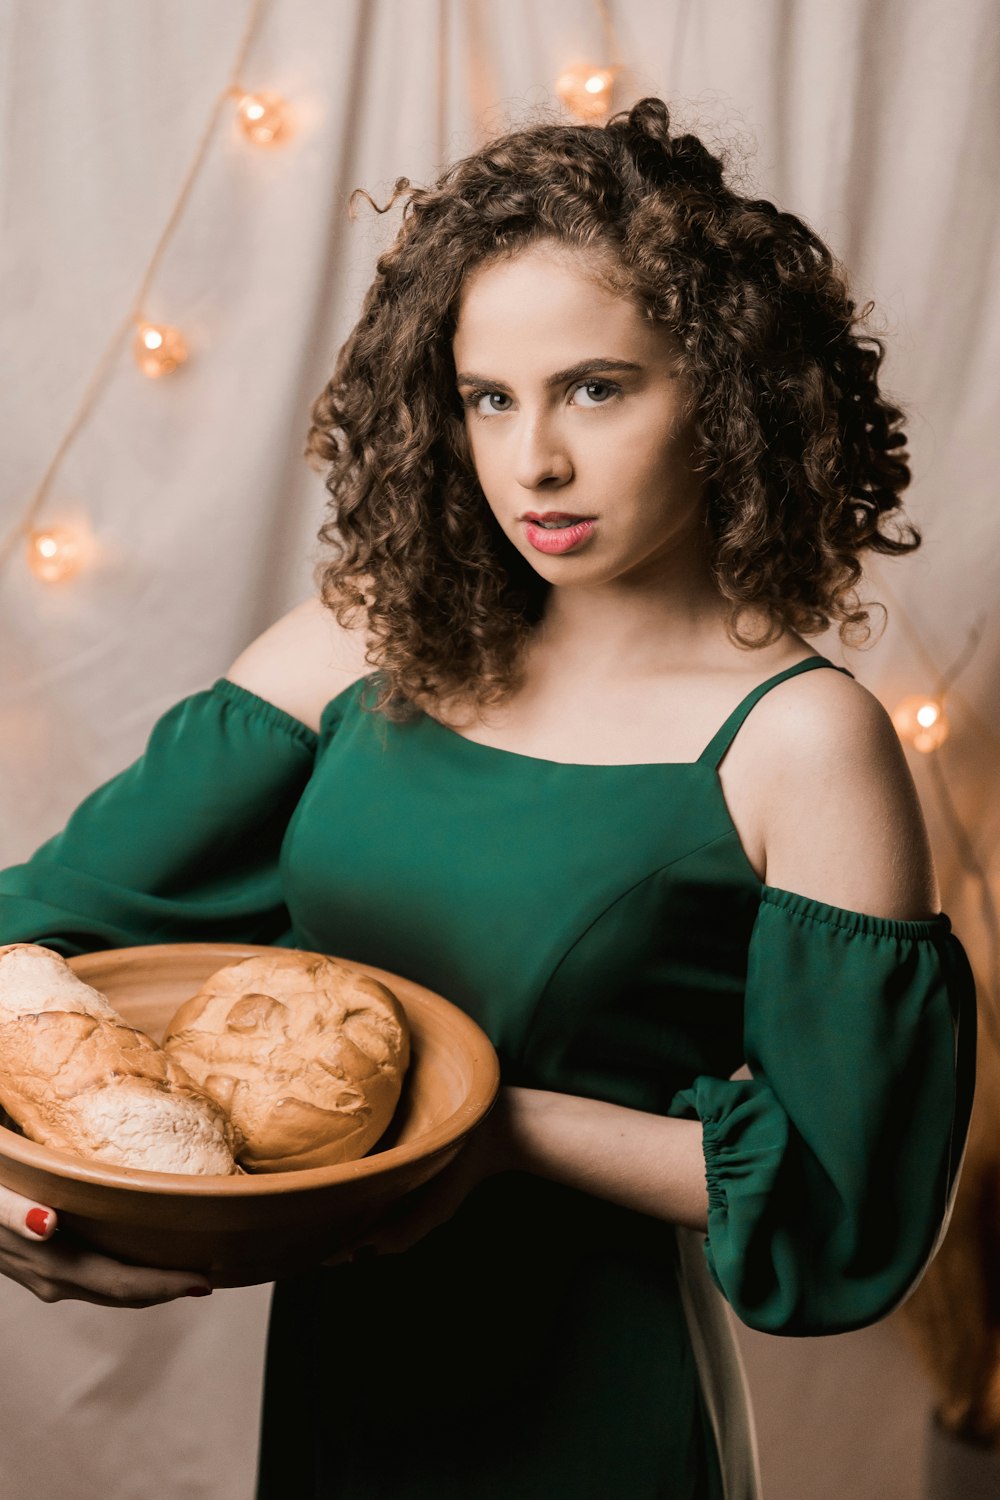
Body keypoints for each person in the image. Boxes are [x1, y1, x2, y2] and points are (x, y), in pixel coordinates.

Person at [0, 96, 977, 1499]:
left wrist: (500, 1128)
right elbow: (34, 948)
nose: (536, 463)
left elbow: (846, 1208)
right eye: (488, 399)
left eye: (597, 386)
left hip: (601, 1415)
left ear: (730, 388)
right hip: (340, 1388)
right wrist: (15, 1195)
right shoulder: (352, 652)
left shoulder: (804, 741)